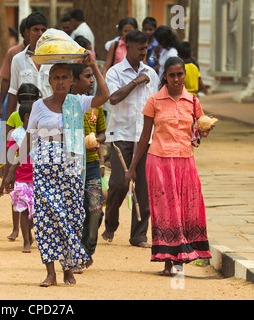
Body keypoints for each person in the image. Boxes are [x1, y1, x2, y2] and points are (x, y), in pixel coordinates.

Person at [14, 51, 110, 287]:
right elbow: (28, 140)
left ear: (71, 81)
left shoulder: (78, 103)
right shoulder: (38, 106)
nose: (60, 82)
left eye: (64, 77)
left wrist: (94, 67)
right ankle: (51, 273)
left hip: (71, 171)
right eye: (56, 77)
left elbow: (104, 95)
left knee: (71, 219)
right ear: (49, 81)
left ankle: (68, 268)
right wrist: (10, 172)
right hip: (45, 170)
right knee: (47, 219)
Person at [125, 56, 213, 276]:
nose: (176, 79)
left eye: (179, 74)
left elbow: (199, 129)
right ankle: (167, 261)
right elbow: (145, 136)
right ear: (164, 75)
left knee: (186, 208)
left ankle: (181, 258)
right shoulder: (154, 100)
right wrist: (132, 167)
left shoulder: (192, 101)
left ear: (184, 75)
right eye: (171, 75)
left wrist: (205, 129)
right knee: (165, 210)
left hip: (185, 160)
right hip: (159, 161)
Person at [102, 30, 159, 248]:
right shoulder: (114, 73)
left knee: (144, 188)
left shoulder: (151, 74)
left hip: (146, 139)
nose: (144, 52)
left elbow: (155, 106)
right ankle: (111, 221)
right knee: (118, 183)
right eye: (140, 48)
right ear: (128, 48)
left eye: (146, 48)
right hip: (121, 137)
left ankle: (139, 236)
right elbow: (113, 98)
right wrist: (135, 82)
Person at [70, 63, 106, 273]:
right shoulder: (65, 104)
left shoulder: (96, 106)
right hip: (71, 164)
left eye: (93, 77)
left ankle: (86, 250)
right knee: (74, 211)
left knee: (94, 210)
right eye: (88, 76)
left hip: (91, 163)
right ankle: (75, 255)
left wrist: (96, 140)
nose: (92, 80)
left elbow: (103, 132)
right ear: (74, 80)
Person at [5, 83, 40, 241]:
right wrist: (7, 170)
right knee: (18, 203)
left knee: (33, 207)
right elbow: (10, 148)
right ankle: (17, 229)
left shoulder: (41, 130)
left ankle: (27, 231)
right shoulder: (14, 118)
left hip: (36, 173)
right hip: (20, 172)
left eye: (32, 98)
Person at [0, 101, 34, 253]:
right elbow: (10, 158)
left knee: (36, 210)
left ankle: (29, 232)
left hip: (38, 177)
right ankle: (26, 240)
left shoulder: (42, 133)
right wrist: (5, 180)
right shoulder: (16, 135)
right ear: (27, 117)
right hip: (22, 177)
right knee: (24, 210)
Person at [6, 12, 51, 121]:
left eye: (43, 30)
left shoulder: (53, 60)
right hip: (24, 120)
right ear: (27, 32)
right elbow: (13, 92)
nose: (40, 34)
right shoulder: (18, 60)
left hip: (49, 118)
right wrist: (7, 126)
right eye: (36, 30)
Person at [0, 18, 29, 119]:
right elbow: (6, 80)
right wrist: (0, 105)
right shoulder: (14, 53)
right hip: (19, 106)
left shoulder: (44, 54)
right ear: (25, 32)